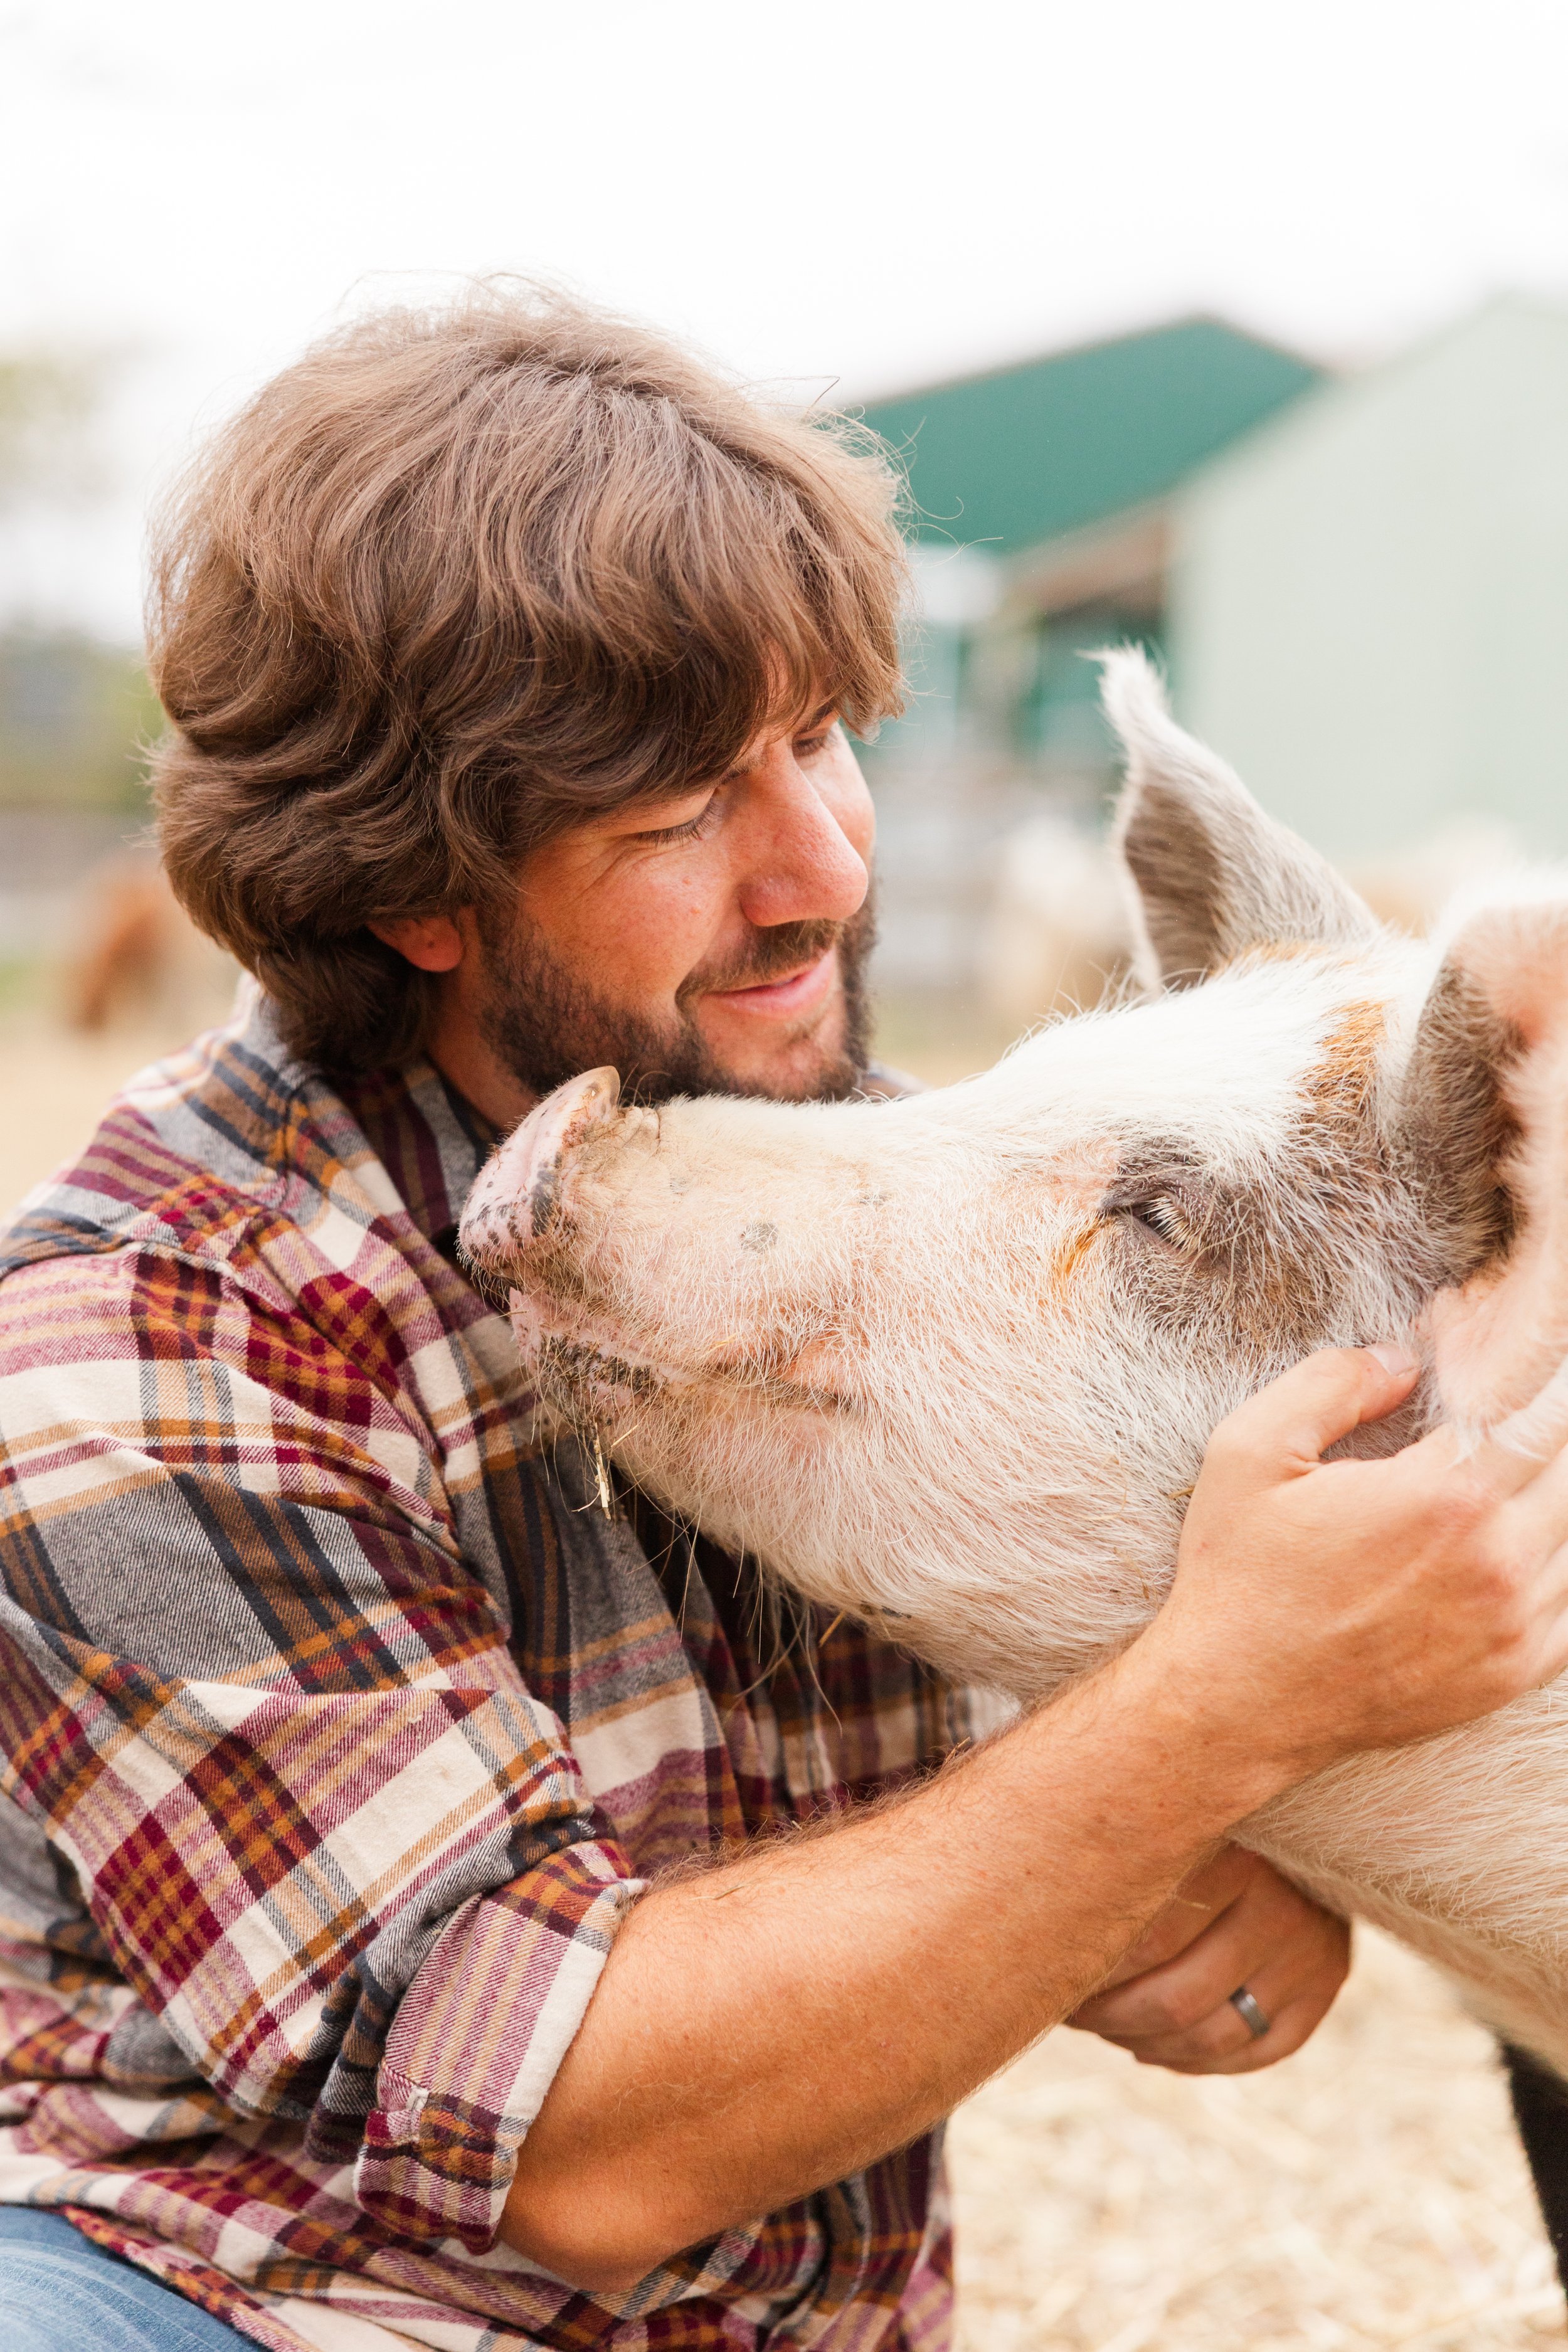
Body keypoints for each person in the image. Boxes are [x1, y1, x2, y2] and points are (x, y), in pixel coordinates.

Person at [1, 290, 1566, 2352]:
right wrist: (1211, 1713)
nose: (824, 867)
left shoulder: (877, 1174)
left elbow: (1243, 1943)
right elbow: (562, 2138)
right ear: (412, 890)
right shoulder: (132, 1358)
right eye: (674, 814)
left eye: (823, 740)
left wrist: (1188, 1886)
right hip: (245, 2307)